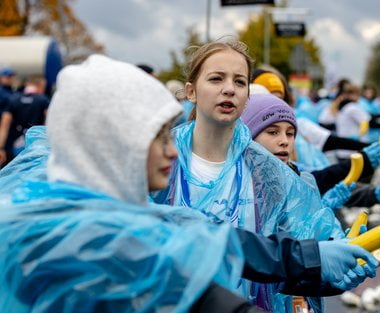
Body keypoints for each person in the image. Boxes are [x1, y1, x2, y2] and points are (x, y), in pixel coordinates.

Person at [0, 55, 259, 313]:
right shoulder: (103, 244)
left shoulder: (57, 218)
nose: (173, 151)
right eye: (158, 136)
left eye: (240, 81)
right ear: (114, 139)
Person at [154, 39, 378, 313]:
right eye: (216, 79)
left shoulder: (267, 171)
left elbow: (297, 255)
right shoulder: (160, 159)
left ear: (247, 95)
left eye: (239, 82)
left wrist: (335, 273)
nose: (229, 89)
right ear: (191, 91)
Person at [241, 93, 380, 209]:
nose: (284, 141)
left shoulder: (290, 172)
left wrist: (367, 194)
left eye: (290, 134)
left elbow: (316, 181)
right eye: (273, 132)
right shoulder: (239, 184)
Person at [0, 75, 49, 167]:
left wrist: (1, 147)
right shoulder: (43, 100)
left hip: (15, 144)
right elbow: (50, 122)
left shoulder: (13, 99)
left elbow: (4, 125)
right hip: (36, 143)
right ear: (40, 85)